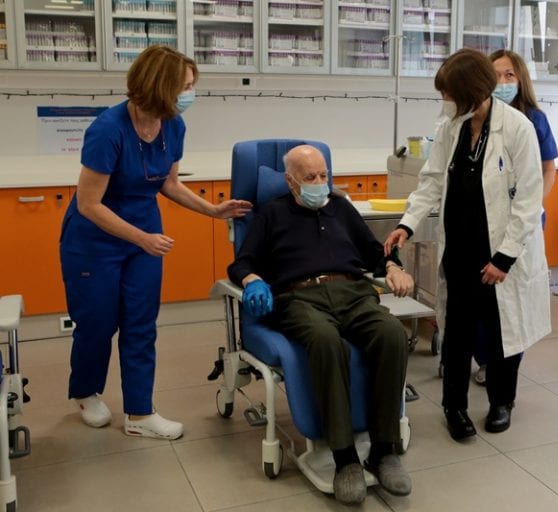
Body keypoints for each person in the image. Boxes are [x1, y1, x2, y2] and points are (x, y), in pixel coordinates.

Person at [59, 45, 252, 440]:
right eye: (185, 86)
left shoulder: (172, 126)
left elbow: (169, 183)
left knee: (141, 323)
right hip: (95, 240)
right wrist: (141, 238)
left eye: (192, 86)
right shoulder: (108, 130)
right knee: (97, 323)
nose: (190, 94)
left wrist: (213, 211)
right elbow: (89, 204)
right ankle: (85, 391)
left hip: (146, 236)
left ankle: (140, 412)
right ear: (159, 86)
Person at [227, 144, 414, 505]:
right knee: (326, 340)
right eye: (310, 177)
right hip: (299, 298)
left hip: (353, 292)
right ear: (290, 181)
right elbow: (242, 261)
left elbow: (374, 252)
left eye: (324, 175)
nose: (319, 183)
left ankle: (383, 451)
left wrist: (393, 266)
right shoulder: (272, 214)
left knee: (391, 334)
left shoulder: (341, 208)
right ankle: (345, 458)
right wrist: (253, 280)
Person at [383, 48, 551, 440]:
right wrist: (407, 224)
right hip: (459, 250)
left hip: (500, 253)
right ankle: (454, 407)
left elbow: (529, 200)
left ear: (471, 92)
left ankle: (501, 403)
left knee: (502, 330)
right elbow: (431, 181)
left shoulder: (518, 129)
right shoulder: (451, 127)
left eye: (449, 93)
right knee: (458, 332)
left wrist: (504, 258)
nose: (445, 100)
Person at [473, 49, 558, 386]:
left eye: (509, 75)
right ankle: (484, 358)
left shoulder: (533, 120)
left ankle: (506, 365)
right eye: (495, 75)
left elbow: (548, 168)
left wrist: (532, 204)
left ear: (521, 79)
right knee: (483, 293)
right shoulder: (476, 118)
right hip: (485, 218)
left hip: (523, 218)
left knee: (514, 296)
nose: (503, 82)